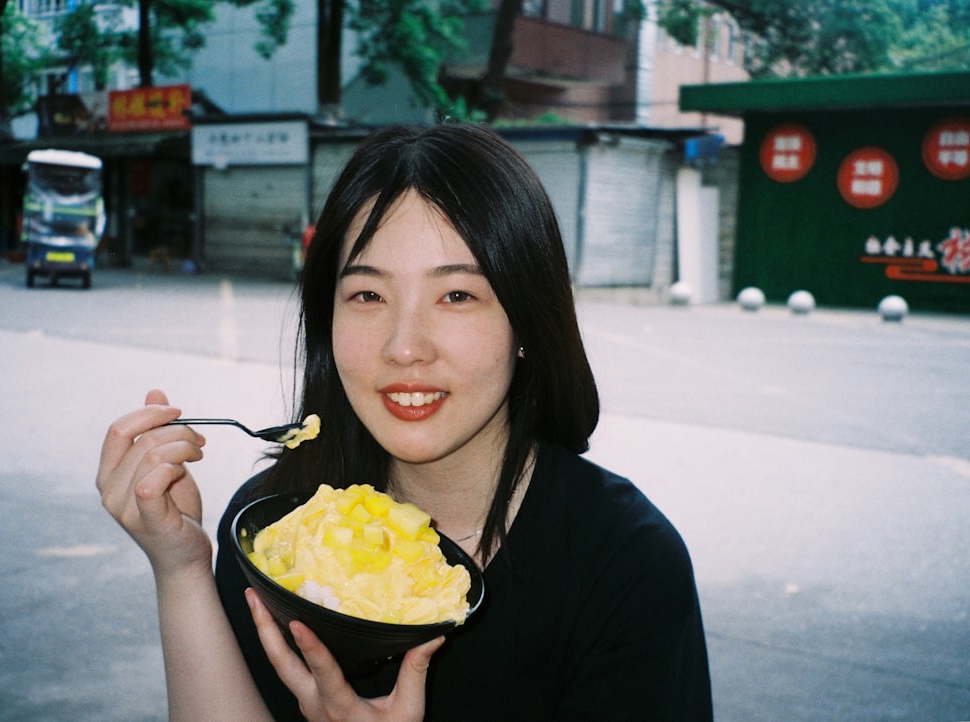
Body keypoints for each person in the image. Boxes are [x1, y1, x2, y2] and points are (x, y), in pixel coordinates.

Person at [97, 123, 712, 721]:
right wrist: (180, 569)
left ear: (527, 319)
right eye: (368, 296)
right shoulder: (279, 533)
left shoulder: (625, 565)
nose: (405, 348)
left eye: (457, 296)